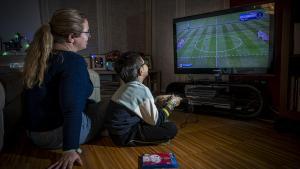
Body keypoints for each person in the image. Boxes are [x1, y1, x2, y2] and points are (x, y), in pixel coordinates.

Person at [22, 8, 106, 169]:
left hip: (33, 133)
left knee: (91, 103)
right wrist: (70, 148)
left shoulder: (42, 57)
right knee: (108, 105)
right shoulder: (73, 62)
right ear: (71, 37)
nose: (89, 36)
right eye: (87, 32)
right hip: (55, 135)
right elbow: (71, 109)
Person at [105, 51, 182, 146]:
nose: (147, 65)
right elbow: (156, 121)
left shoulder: (126, 87)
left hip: (115, 133)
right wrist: (171, 104)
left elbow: (138, 105)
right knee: (171, 128)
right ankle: (145, 140)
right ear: (141, 70)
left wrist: (156, 99)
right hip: (124, 136)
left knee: (161, 120)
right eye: (144, 63)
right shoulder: (142, 89)